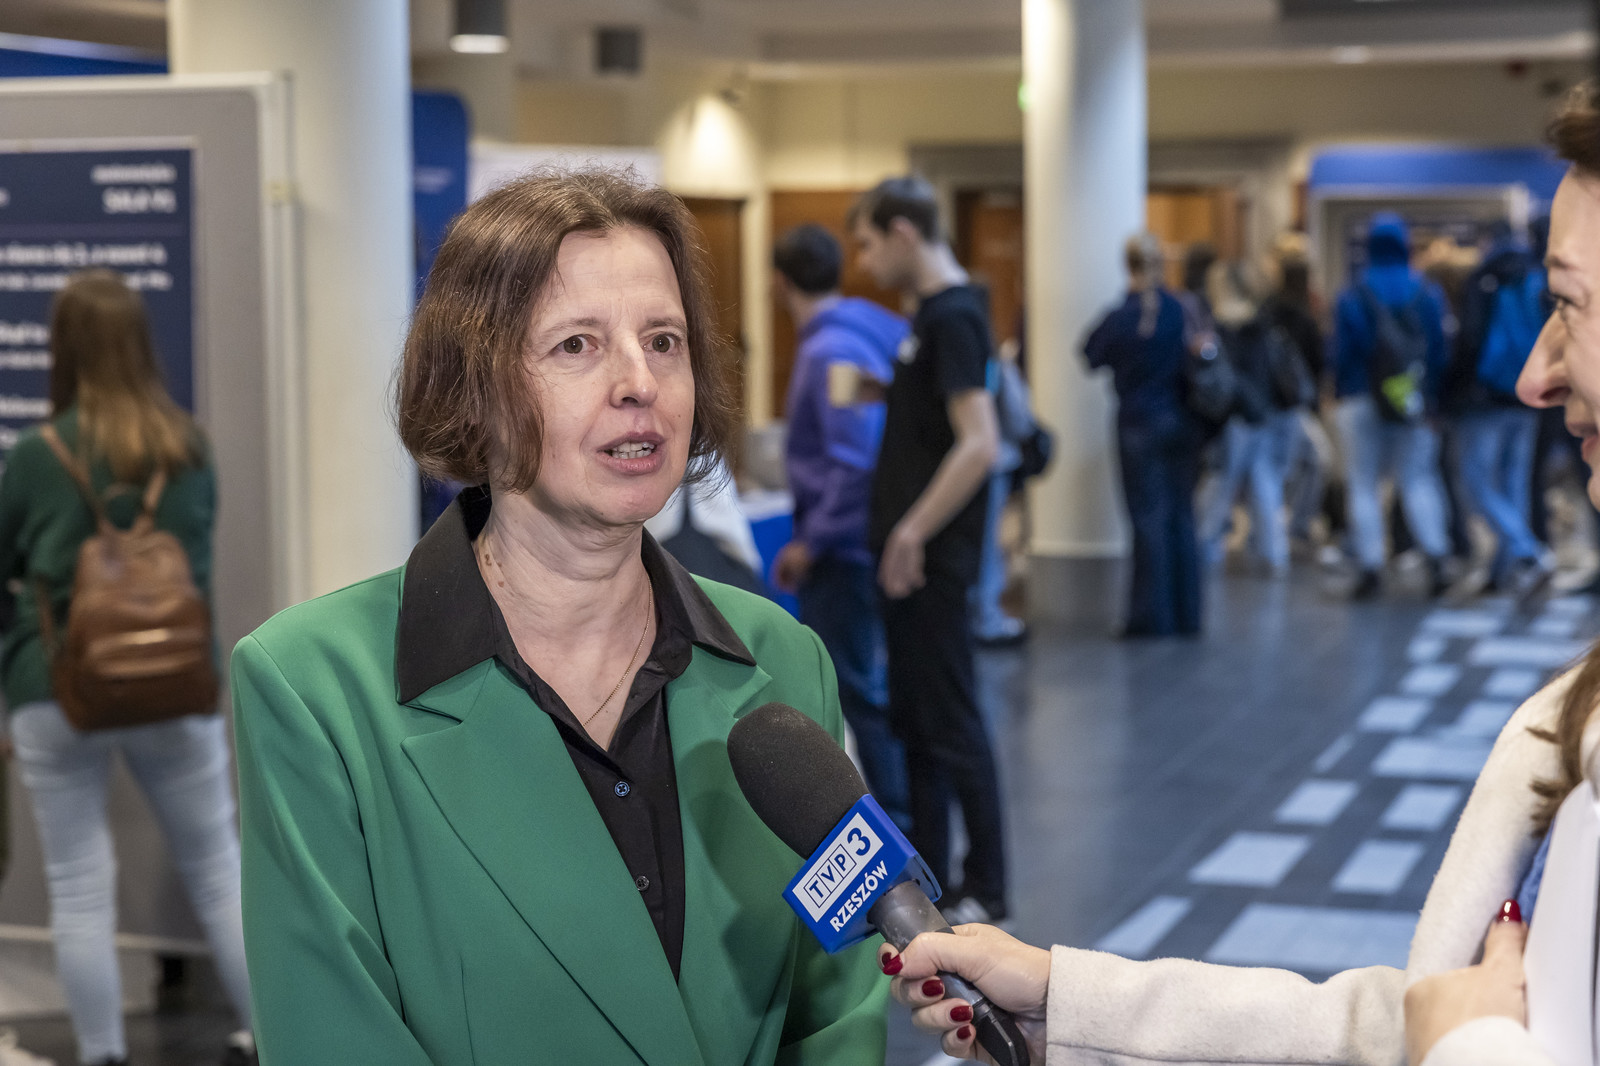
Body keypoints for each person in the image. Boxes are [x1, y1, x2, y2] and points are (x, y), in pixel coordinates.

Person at [874, 83, 1600, 1066]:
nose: (1533, 374)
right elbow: (1396, 1025)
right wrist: (1073, 1006)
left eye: (1568, 304)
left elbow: (1451, 1031)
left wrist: (1467, 1047)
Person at [230, 170, 885, 1064]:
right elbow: (330, 1037)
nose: (640, 382)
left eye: (664, 341)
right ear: (473, 388)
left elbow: (839, 1007)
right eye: (577, 345)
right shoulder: (314, 689)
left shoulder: (784, 659)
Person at [0, 270, 255, 1066]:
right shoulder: (188, 449)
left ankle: (104, 1054)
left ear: (64, 348)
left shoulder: (37, 456)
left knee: (79, 884)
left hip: (54, 687)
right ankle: (268, 1036)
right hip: (177, 685)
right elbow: (196, 567)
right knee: (219, 870)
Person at [851, 175, 1010, 923]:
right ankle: (938, 879)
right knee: (919, 725)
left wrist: (913, 531)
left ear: (904, 233)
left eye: (869, 243)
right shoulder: (932, 320)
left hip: (934, 562)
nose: (865, 260)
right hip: (911, 564)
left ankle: (989, 885)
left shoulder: (953, 317)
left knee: (950, 720)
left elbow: (980, 444)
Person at [769, 222, 909, 823]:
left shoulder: (830, 351)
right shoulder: (865, 330)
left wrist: (812, 540)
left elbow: (854, 461)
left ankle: (897, 825)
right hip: (859, 543)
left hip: (845, 553)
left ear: (780, 282)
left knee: (856, 694)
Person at [1084, 235, 1203, 637]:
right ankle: (1188, 614)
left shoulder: (1121, 316)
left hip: (1137, 423)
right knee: (1181, 515)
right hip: (1182, 423)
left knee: (1147, 521)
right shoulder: (1180, 310)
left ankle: (1151, 617)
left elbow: (1089, 354)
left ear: (1127, 266)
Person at [1332, 212, 1455, 599]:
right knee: (1418, 479)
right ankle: (1436, 558)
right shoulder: (1427, 293)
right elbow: (1439, 351)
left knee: (1363, 483)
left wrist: (1342, 390)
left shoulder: (1353, 294)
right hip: (1412, 397)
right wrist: (1431, 399)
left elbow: (1340, 353)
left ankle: (1370, 566)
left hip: (1361, 396)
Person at [1445, 221, 1552, 596]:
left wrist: (1453, 390)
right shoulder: (1536, 277)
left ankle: (1527, 552)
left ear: (1487, 241)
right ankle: (1504, 568)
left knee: (1476, 481)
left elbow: (1470, 339)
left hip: (1485, 397)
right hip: (1527, 394)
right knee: (1513, 482)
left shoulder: (1484, 278)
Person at [1196, 260, 1296, 576]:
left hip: (1233, 415)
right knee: (1264, 483)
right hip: (1262, 412)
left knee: (1220, 484)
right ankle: (1274, 554)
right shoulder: (1262, 324)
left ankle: (1205, 549)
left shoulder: (1223, 326)